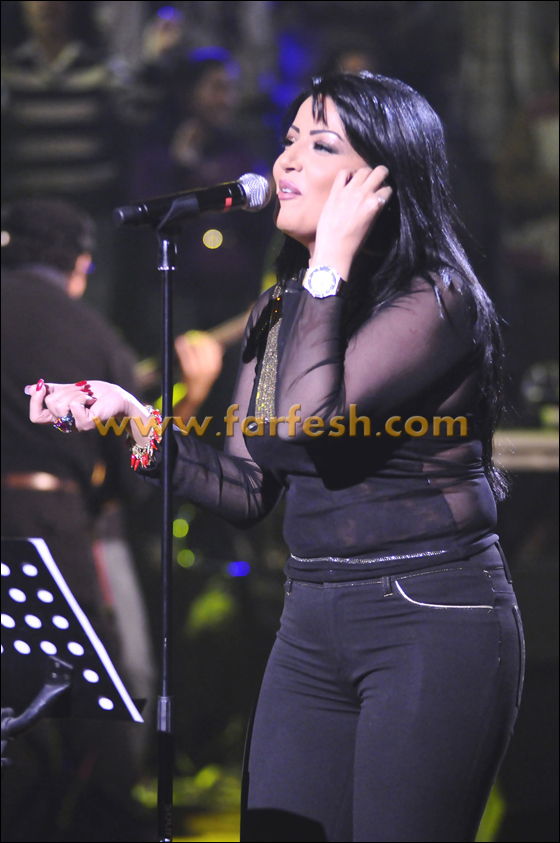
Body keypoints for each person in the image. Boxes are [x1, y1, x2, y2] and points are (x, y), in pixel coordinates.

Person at [28, 73, 524, 843]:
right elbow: (248, 486)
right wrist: (132, 420)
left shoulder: (436, 299)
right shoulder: (279, 309)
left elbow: (312, 423)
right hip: (310, 619)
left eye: (319, 145)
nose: (286, 160)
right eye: (289, 139)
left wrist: (328, 263)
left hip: (428, 613)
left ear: (379, 180)